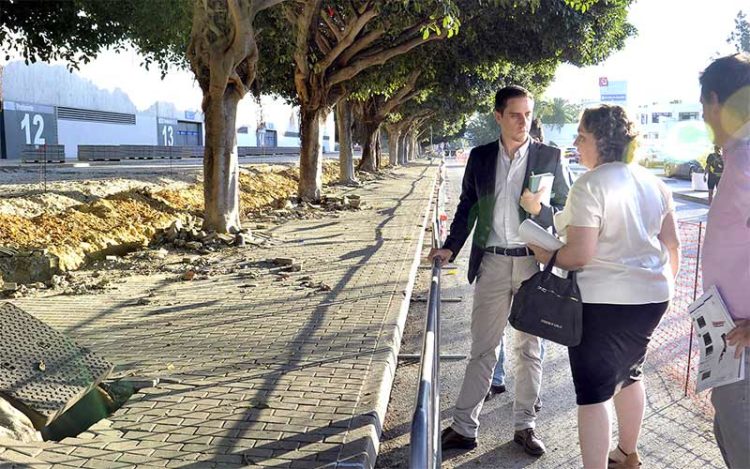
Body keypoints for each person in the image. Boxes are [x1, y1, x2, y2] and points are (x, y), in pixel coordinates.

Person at [527, 105, 681, 469]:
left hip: (602, 303)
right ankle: (627, 453)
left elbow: (578, 256)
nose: (577, 143)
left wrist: (542, 251)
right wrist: (667, 289)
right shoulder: (654, 182)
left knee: (593, 393)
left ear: (602, 140)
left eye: (582, 136)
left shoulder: (591, 184)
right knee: (630, 374)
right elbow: (672, 245)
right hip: (652, 298)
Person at [429, 85, 571, 456]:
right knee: (483, 349)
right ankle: (464, 427)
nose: (523, 121)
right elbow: (467, 207)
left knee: (528, 349)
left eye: (528, 114)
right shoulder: (479, 157)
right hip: (491, 261)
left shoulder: (550, 157)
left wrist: (539, 209)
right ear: (498, 116)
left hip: (530, 262)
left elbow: (567, 214)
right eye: (515, 114)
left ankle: (525, 425)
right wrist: (450, 247)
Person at [699, 52, 750, 469]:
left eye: (703, 107)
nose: (703, 117)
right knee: (730, 436)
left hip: (743, 343)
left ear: (716, 101)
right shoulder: (739, 157)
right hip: (728, 338)